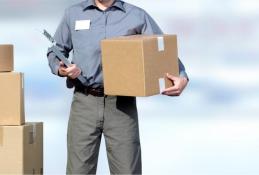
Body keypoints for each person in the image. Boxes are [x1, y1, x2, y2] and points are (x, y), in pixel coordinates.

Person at [47, 0, 189, 174]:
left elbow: (162, 48)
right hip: (84, 104)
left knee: (127, 170)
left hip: (122, 106)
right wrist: (62, 70)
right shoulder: (73, 13)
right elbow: (55, 50)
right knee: (78, 171)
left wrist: (182, 76)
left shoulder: (136, 15)